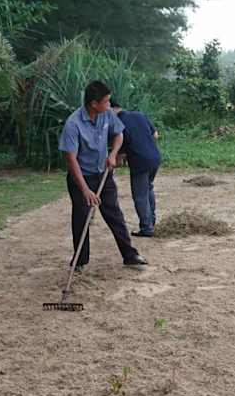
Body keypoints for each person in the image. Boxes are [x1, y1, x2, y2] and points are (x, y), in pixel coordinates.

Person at [59, 81, 149, 270]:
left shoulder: (107, 114)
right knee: (81, 218)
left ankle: (130, 255)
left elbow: (119, 134)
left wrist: (113, 154)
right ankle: (80, 261)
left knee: (114, 213)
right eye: (106, 101)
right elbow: (71, 160)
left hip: (103, 174)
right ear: (94, 103)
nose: (110, 105)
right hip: (80, 177)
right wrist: (85, 190)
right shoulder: (72, 124)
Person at [110, 100, 161, 237]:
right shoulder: (139, 115)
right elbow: (155, 135)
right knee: (148, 188)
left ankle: (146, 228)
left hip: (140, 161)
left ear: (112, 109)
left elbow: (119, 158)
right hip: (155, 157)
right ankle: (151, 220)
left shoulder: (118, 124)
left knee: (140, 195)